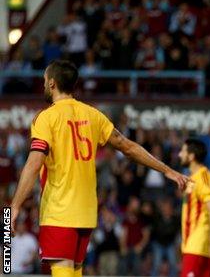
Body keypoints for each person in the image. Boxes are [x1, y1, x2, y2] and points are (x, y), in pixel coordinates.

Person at [10, 60, 188, 277]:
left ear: (53, 83)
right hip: (85, 212)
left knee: (63, 273)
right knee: (75, 272)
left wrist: (15, 206)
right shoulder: (93, 115)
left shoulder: (46, 118)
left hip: (59, 210)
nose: (44, 85)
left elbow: (34, 162)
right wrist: (167, 170)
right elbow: (128, 146)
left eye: (44, 81)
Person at [178, 139, 210, 277]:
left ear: (191, 156)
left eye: (183, 151)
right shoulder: (192, 179)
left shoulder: (204, 178)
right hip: (191, 244)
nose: (179, 154)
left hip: (198, 244)